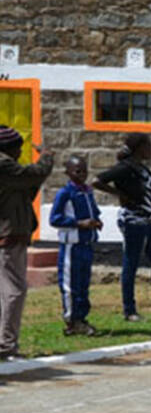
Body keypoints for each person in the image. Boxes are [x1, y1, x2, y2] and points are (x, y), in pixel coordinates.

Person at [95, 133, 151, 323]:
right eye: (148, 146)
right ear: (139, 147)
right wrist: (120, 194)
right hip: (133, 221)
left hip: (149, 221)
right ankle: (129, 310)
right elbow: (97, 181)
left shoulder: (144, 170)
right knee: (131, 264)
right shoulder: (125, 169)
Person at [0, 127, 55, 357]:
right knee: (15, 290)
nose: (20, 151)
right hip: (8, 236)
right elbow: (32, 175)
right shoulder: (4, 165)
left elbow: (28, 186)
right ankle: (7, 345)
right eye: (18, 147)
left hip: (13, 235)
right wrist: (47, 157)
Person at [50, 155, 101, 336]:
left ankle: (82, 317)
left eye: (84, 171)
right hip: (71, 245)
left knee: (83, 283)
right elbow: (54, 219)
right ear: (68, 173)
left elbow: (93, 211)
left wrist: (96, 221)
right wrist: (79, 223)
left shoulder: (87, 192)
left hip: (86, 244)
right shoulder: (65, 194)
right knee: (70, 284)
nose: (82, 175)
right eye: (77, 171)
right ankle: (71, 320)